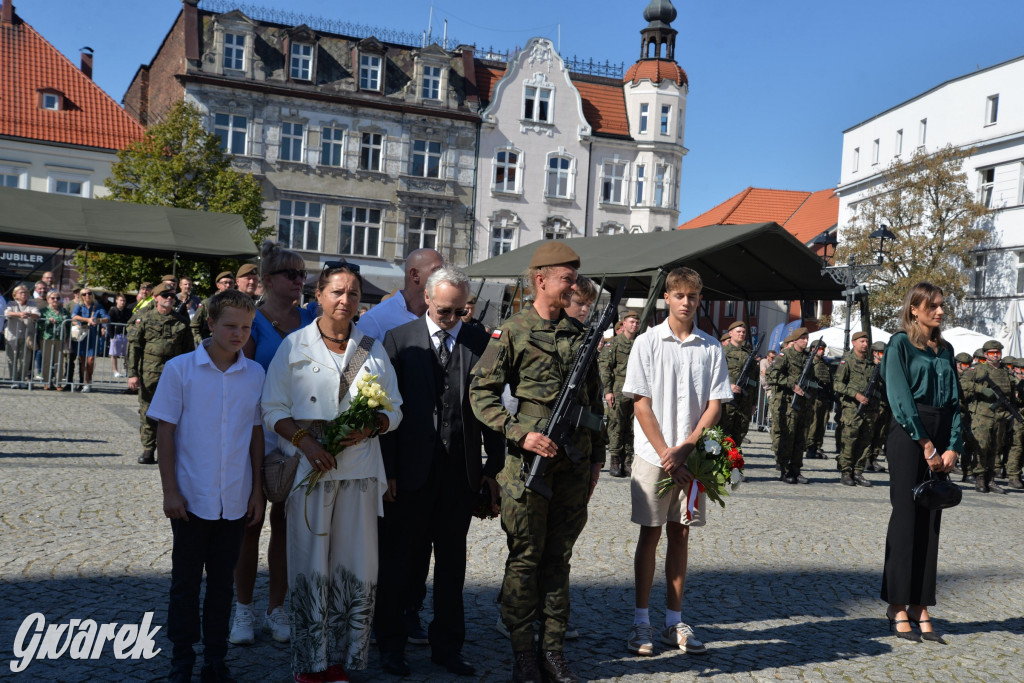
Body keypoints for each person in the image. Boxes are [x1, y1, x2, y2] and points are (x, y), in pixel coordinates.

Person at [470, 241, 605, 683]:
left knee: (559, 558)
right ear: (540, 279)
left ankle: (553, 649)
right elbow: (481, 394)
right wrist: (520, 434)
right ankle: (523, 652)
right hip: (526, 469)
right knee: (526, 557)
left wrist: (596, 462)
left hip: (573, 465)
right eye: (565, 276)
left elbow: (593, 406)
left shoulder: (580, 334)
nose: (572, 284)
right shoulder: (510, 332)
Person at [261, 263, 402, 683]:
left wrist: (374, 425)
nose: (345, 300)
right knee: (310, 565)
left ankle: (343, 656)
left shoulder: (372, 349)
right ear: (318, 295)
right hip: (311, 471)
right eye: (337, 292)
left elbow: (396, 408)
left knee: (355, 566)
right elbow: (273, 409)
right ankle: (311, 661)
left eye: (353, 294)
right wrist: (307, 443)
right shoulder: (294, 345)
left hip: (359, 472)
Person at [376, 267, 504, 677]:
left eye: (459, 311)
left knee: (452, 566)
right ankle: (390, 644)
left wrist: (493, 466)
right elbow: (387, 409)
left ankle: (447, 646)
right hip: (409, 473)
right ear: (427, 299)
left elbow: (490, 407)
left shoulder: (477, 339)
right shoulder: (399, 339)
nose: (451, 317)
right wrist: (389, 471)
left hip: (458, 474)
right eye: (445, 310)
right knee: (398, 563)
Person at [148, 289, 266, 683]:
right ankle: (182, 658)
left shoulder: (255, 374)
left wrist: (257, 491)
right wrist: (170, 490)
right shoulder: (180, 369)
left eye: (246, 328)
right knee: (184, 584)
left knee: (221, 585)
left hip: (234, 497)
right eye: (230, 325)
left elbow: (254, 434)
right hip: (191, 496)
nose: (238, 334)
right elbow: (166, 432)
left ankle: (216, 659)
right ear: (211, 324)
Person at [621, 267, 731, 660]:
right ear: (667, 297)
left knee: (681, 536)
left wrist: (687, 446)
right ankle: (640, 621)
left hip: (693, 458)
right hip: (654, 457)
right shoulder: (647, 343)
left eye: (694, 296)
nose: (687, 302)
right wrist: (668, 453)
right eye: (680, 295)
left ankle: (674, 619)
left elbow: (715, 404)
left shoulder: (710, 347)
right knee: (650, 535)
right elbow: (640, 401)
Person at [230, 242, 316, 647]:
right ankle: (242, 610)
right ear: (267, 280)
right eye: (291, 274)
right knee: (250, 523)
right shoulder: (253, 322)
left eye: (302, 274)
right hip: (259, 432)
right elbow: (242, 384)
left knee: (286, 527)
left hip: (299, 434)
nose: (300, 281)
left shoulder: (311, 318)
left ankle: (276, 608)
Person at [356, 246, 443, 642]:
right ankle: (380, 614)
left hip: (430, 448)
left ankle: (411, 608)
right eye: (437, 270)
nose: (445, 276)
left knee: (422, 539)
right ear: (414, 276)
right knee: (391, 539)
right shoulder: (376, 321)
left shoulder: (442, 317)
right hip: (390, 446)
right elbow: (355, 380)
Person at [881, 282, 960, 644]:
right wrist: (926, 442)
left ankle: (920, 603)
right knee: (906, 518)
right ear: (915, 309)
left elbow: (956, 403)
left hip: (940, 438)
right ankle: (896, 603)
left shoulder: (946, 350)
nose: (940, 311)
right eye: (933, 305)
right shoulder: (900, 343)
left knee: (931, 522)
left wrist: (952, 447)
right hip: (908, 435)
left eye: (942, 305)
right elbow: (899, 396)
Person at [128, 281, 194, 464]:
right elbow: (134, 347)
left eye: (172, 296)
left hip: (174, 374)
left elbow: (189, 352)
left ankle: (169, 450)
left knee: (174, 413)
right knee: (148, 412)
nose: (169, 299)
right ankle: (148, 449)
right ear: (156, 298)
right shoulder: (146, 319)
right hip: (150, 373)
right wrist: (132, 374)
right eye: (165, 296)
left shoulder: (181, 322)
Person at [960, 339, 1011, 493]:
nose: (995, 356)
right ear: (986, 354)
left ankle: (991, 479)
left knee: (996, 449)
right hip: (982, 415)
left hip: (1000, 416)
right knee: (981, 447)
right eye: (992, 353)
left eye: (998, 353)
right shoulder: (977, 370)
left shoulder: (1005, 372)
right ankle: (980, 478)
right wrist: (981, 389)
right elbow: (962, 384)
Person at [768, 328, 816, 484]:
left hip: (804, 405)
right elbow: (772, 374)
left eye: (807, 338)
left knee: (801, 438)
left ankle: (796, 469)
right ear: (795, 340)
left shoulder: (809, 357)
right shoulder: (786, 355)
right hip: (789, 404)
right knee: (788, 437)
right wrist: (792, 384)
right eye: (803, 338)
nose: (806, 341)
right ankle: (784, 470)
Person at [833, 331, 877, 487]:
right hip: (851, 408)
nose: (865, 344)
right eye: (862, 341)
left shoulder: (871, 364)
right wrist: (855, 395)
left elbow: (875, 389)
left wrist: (876, 410)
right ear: (854, 343)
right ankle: (846, 472)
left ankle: (858, 472)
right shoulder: (847, 361)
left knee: (865, 442)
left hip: (868, 410)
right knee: (849, 440)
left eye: (866, 341)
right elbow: (837, 384)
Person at [601, 309, 640, 477]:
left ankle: (628, 460)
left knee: (633, 426)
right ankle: (615, 459)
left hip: (637, 390)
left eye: (637, 322)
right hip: (619, 388)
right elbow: (605, 367)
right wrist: (608, 391)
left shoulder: (641, 344)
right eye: (631, 322)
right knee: (616, 424)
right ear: (624, 324)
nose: (634, 325)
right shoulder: (614, 344)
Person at [719, 321, 757, 450]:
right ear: (730, 334)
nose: (741, 334)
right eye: (738, 331)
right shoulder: (722, 352)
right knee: (723, 435)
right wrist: (728, 386)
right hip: (727, 402)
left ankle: (734, 463)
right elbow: (714, 375)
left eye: (743, 332)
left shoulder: (749, 355)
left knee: (739, 434)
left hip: (745, 402)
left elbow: (754, 381)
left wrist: (753, 403)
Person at [69, 287, 108, 393]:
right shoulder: (79, 306)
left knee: (91, 360)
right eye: (84, 294)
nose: (87, 296)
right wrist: (87, 320)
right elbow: (74, 316)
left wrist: (97, 320)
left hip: (92, 336)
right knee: (83, 361)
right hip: (82, 336)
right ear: (81, 296)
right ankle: (84, 382)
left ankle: (88, 381)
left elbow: (107, 318)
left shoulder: (97, 306)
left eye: (89, 293)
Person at [4, 285, 40, 388]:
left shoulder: (32, 303)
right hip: (12, 335)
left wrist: (28, 314)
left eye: (25, 292)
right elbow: (7, 312)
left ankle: (21, 379)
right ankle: (14, 379)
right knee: (12, 359)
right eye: (21, 292)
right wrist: (19, 314)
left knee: (25, 359)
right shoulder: (11, 303)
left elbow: (37, 314)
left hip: (27, 335)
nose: (24, 294)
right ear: (15, 295)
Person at [37, 290, 70, 390]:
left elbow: (68, 325)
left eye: (58, 298)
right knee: (47, 360)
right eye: (53, 298)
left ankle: (58, 382)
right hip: (47, 338)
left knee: (59, 361)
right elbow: (39, 325)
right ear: (48, 299)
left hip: (59, 339)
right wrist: (48, 321)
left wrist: (67, 337)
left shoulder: (63, 311)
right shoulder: (44, 311)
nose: (55, 300)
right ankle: (47, 382)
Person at [805, 342, 833, 460]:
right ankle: (810, 448)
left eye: (823, 349)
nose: (822, 351)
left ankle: (818, 446)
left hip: (825, 398)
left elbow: (830, 382)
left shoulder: (825, 364)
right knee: (814, 424)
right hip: (814, 398)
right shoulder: (809, 363)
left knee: (822, 424)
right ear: (813, 349)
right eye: (820, 349)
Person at [193, 272, 235, 345]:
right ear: (218, 285)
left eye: (231, 283)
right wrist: (201, 342)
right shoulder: (207, 304)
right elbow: (194, 326)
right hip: (209, 344)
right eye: (225, 283)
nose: (228, 285)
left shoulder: (237, 304)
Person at [108, 293, 132, 378]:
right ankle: (115, 371)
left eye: (124, 300)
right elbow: (109, 324)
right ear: (117, 301)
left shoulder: (128, 311)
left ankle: (126, 370)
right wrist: (111, 336)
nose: (123, 302)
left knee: (127, 354)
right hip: (116, 334)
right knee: (114, 354)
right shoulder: (112, 310)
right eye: (121, 300)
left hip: (126, 334)